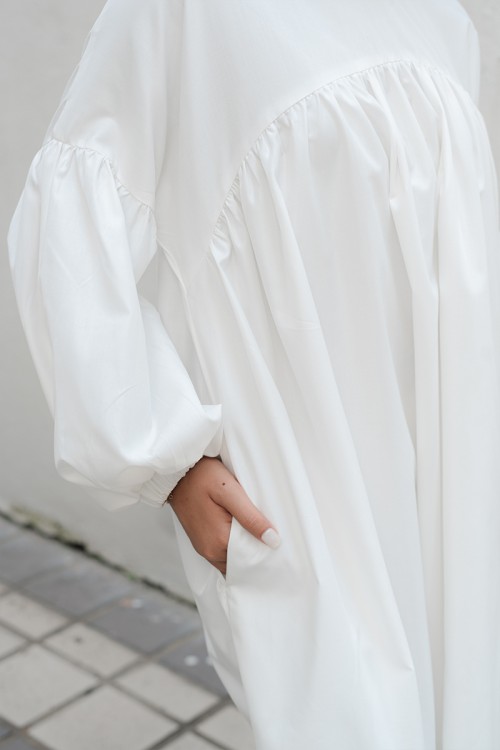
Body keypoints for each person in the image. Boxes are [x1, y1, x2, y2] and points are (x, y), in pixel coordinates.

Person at [7, 0, 500, 748]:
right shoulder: (181, 16)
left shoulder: (444, 18)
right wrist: (163, 459)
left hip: (456, 461)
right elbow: (76, 217)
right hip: (306, 483)